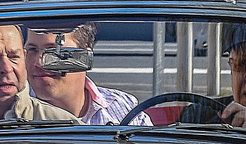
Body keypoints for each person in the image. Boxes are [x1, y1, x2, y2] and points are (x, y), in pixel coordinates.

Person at [23, 21, 151, 125]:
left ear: (84, 57)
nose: (38, 63)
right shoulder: (13, 114)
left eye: (53, 51)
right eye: (32, 49)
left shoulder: (125, 109)